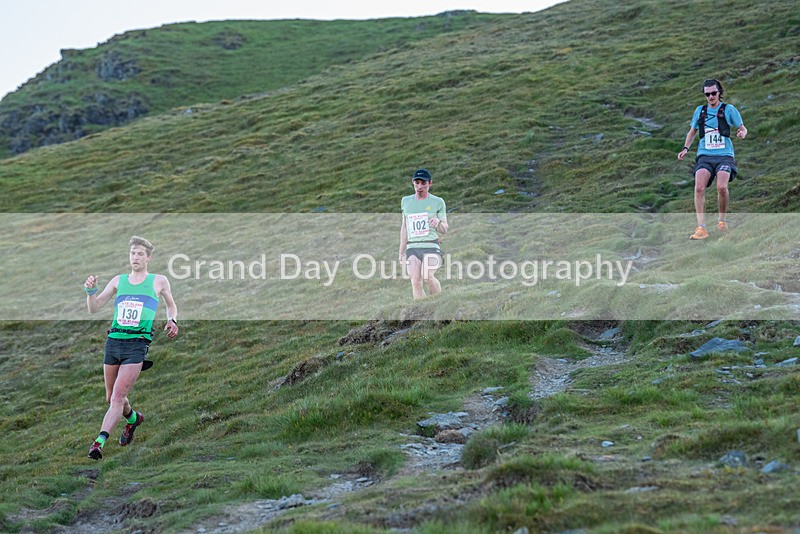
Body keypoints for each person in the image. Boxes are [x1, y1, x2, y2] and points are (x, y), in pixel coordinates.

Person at [83, 236, 179, 460]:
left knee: (117, 397)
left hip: (137, 345)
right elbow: (94, 308)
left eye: (139, 254)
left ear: (148, 258)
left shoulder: (159, 281)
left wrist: (172, 320)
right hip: (114, 342)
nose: (135, 257)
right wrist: (90, 292)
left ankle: (99, 443)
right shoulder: (119, 280)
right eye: (132, 253)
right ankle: (134, 418)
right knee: (111, 398)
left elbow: (171, 305)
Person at [678, 78, 747, 240]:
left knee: (722, 187)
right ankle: (701, 227)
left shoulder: (729, 110)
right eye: (707, 94)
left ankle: (722, 220)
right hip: (705, 156)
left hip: (725, 156)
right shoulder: (699, 111)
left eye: (713, 93)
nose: (710, 97)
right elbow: (692, 131)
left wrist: (742, 133)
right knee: (699, 187)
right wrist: (685, 148)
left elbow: (742, 128)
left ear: (719, 92)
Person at [399, 168, 449, 299]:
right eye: (417, 182)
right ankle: (421, 314)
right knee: (415, 282)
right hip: (412, 247)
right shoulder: (405, 201)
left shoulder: (438, 202)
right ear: (413, 182)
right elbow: (404, 228)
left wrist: (438, 223)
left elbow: (444, 229)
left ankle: (438, 303)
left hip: (431, 246)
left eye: (423, 183)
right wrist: (401, 252)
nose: (420, 186)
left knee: (427, 275)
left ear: (430, 183)